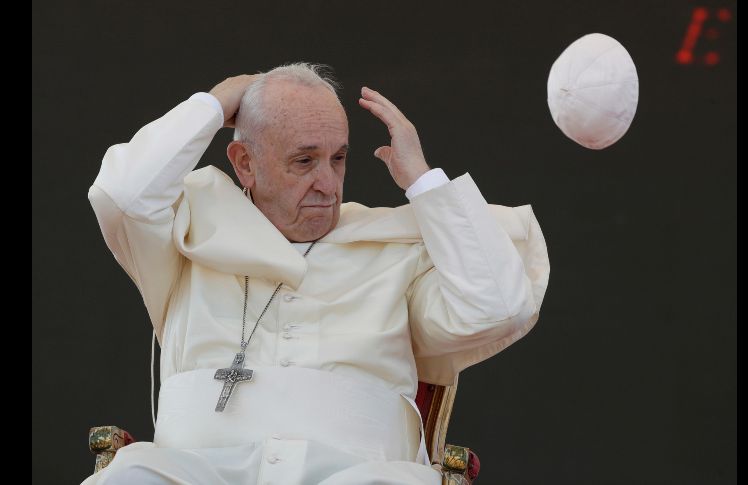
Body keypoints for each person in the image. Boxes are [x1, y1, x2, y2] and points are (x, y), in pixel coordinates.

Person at [82, 63, 550, 485]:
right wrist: (216, 102)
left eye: (338, 158)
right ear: (245, 163)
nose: (327, 184)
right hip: (197, 470)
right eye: (304, 161)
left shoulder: (395, 251)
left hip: (358, 474)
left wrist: (423, 181)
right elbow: (120, 194)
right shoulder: (186, 230)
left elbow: (500, 308)